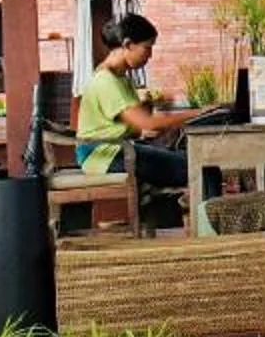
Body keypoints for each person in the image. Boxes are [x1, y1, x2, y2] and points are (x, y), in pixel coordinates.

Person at [79, 12, 199, 201]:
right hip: (103, 157)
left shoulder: (121, 78)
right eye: (147, 48)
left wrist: (155, 107)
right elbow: (148, 123)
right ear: (128, 44)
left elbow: (138, 125)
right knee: (193, 164)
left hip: (116, 150)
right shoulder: (106, 81)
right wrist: (198, 113)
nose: (150, 55)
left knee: (185, 157)